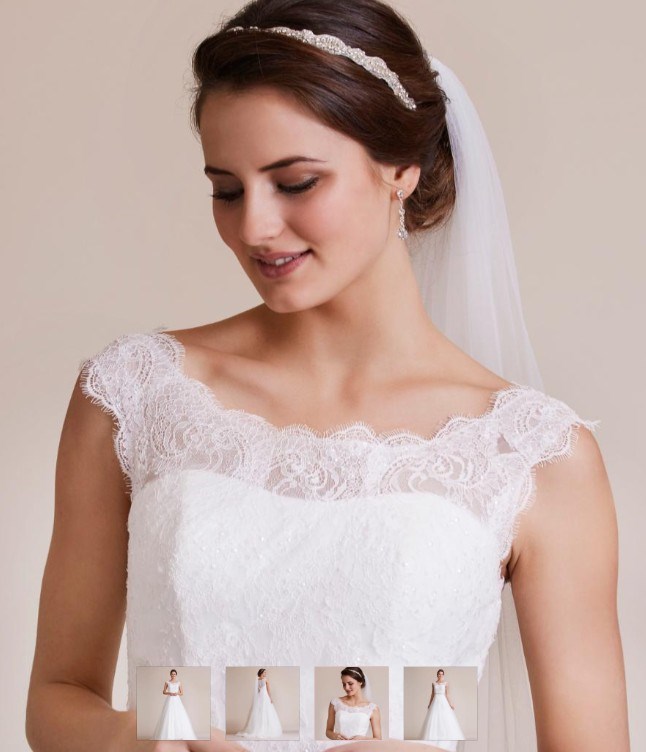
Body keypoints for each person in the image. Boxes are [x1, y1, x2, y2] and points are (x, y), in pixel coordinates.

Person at [25, 1, 630, 751]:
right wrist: (141, 742)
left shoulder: (534, 454)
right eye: (227, 189)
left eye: (297, 182)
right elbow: (58, 698)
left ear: (400, 170)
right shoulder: (134, 394)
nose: (254, 227)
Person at [325, 667, 381, 742]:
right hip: (338, 746)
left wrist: (363, 739)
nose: (346, 688)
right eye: (344, 684)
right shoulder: (335, 703)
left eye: (350, 683)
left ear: (360, 682)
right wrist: (334, 736)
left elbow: (378, 739)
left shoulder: (372, 708)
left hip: (360, 746)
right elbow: (328, 731)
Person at [418, 669, 464, 751]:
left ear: (443, 675)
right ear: (437, 675)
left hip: (443, 701)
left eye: (442, 674)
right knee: (434, 718)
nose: (440, 675)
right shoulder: (433, 683)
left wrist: (450, 704)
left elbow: (447, 695)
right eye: (439, 674)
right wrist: (429, 704)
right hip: (435, 701)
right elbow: (432, 694)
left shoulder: (446, 683)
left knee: (445, 718)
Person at [236, 668, 283, 739]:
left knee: (264, 711)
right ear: (261, 673)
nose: (265, 674)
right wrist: (269, 697)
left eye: (265, 673)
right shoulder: (262, 680)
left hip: (262, 697)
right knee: (261, 711)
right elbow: (264, 690)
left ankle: (263, 728)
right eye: (264, 673)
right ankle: (260, 728)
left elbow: (263, 690)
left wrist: (269, 698)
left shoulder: (260, 680)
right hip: (262, 697)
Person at [152, 669, 198, 741]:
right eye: (172, 674)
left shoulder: (179, 683)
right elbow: (164, 691)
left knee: (178, 715)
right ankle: (168, 735)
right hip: (170, 699)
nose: (173, 675)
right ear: (170, 675)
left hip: (177, 700)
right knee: (168, 715)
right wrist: (169, 693)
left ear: (176, 675)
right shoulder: (167, 682)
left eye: (174, 674)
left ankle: (179, 734)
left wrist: (177, 693)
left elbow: (182, 692)